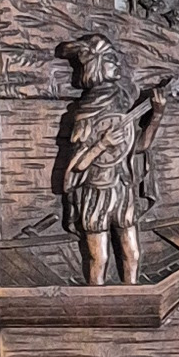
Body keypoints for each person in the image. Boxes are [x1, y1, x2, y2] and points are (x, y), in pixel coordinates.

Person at [55, 34, 161, 284]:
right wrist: (102, 144)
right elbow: (78, 165)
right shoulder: (86, 113)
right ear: (97, 64)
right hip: (96, 192)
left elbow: (139, 146)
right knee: (98, 257)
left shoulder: (121, 104)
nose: (118, 65)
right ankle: (97, 307)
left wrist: (156, 115)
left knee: (133, 254)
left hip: (122, 188)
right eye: (111, 59)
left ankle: (132, 301)